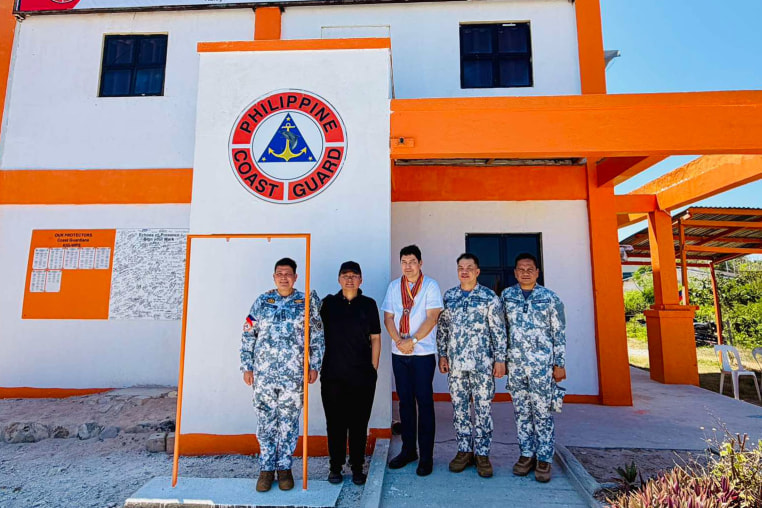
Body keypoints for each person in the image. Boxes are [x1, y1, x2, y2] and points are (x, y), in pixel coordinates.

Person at [240, 257, 324, 492]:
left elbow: (316, 337)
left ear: (296, 277)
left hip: (293, 376)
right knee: (266, 423)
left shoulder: (305, 302)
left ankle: (285, 469)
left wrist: (314, 364)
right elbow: (248, 334)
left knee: (288, 423)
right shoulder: (262, 302)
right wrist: (247, 366)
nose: (284, 277)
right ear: (274, 277)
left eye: (288, 273)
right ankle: (266, 470)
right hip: (264, 376)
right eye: (279, 273)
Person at [437, 253, 507, 478]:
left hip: (482, 364)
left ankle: (483, 454)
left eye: (469, 267)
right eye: (460, 267)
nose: (464, 271)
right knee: (459, 409)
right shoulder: (449, 297)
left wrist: (499, 359)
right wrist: (442, 355)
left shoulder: (489, 297)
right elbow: (443, 329)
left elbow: (498, 330)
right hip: (456, 364)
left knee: (483, 409)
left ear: (477, 271)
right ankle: (464, 451)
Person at [501, 253, 566, 483]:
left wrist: (559, 364)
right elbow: (501, 331)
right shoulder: (506, 296)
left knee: (542, 412)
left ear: (537, 272)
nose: (525, 272)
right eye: (521, 269)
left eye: (530, 268)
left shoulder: (550, 298)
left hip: (542, 367)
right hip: (516, 366)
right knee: (521, 412)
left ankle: (544, 459)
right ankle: (526, 455)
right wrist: (502, 360)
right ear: (515, 273)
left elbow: (559, 333)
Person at [382, 245, 443, 476]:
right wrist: (399, 340)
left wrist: (413, 340)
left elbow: (432, 317)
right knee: (405, 403)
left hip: (422, 353)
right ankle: (409, 450)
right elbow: (388, 317)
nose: (408, 266)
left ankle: (426, 456)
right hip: (400, 353)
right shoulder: (393, 287)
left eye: (412, 261)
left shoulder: (430, 285)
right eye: (404, 262)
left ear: (420, 263)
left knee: (425, 403)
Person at [319, 261, 381, 486]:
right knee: (334, 423)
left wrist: (373, 368)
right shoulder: (327, 305)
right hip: (332, 375)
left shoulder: (368, 304)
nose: (349, 279)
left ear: (361, 280)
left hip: (362, 375)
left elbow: (375, 337)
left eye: (354, 275)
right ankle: (335, 467)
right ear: (339, 279)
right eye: (345, 275)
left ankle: (357, 467)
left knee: (358, 424)